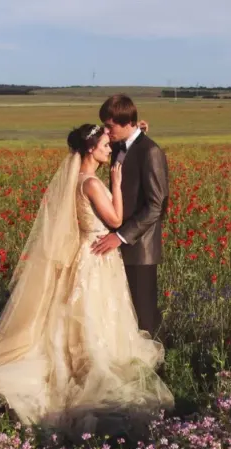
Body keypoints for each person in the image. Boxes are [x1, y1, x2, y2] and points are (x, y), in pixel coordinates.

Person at [0, 124, 173, 433]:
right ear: (92, 149)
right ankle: (87, 367)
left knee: (80, 316)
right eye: (106, 145)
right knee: (93, 317)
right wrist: (117, 184)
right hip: (96, 259)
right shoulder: (92, 183)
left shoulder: (78, 178)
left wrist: (136, 127)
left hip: (87, 255)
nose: (110, 149)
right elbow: (116, 220)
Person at [91, 94, 168, 339]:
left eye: (110, 126)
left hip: (140, 250)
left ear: (126, 123)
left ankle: (155, 372)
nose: (106, 130)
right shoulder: (120, 146)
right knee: (124, 318)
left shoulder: (150, 151)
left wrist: (121, 236)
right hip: (119, 247)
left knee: (144, 319)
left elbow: (157, 205)